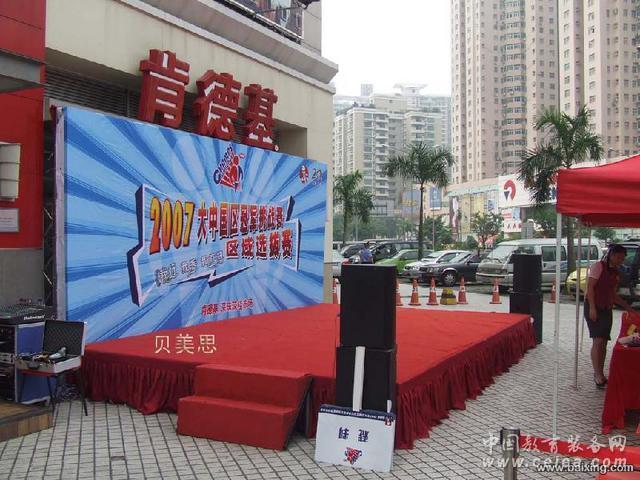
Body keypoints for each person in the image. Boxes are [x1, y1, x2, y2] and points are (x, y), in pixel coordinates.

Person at [585, 244, 636, 389]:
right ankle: (597, 375)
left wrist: (628, 308)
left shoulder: (615, 272)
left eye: (623, 258)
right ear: (611, 255)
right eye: (619, 258)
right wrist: (592, 308)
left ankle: (601, 372)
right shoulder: (598, 267)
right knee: (598, 340)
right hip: (594, 306)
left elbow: (613, 294)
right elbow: (590, 287)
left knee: (604, 342)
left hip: (607, 308)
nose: (621, 261)